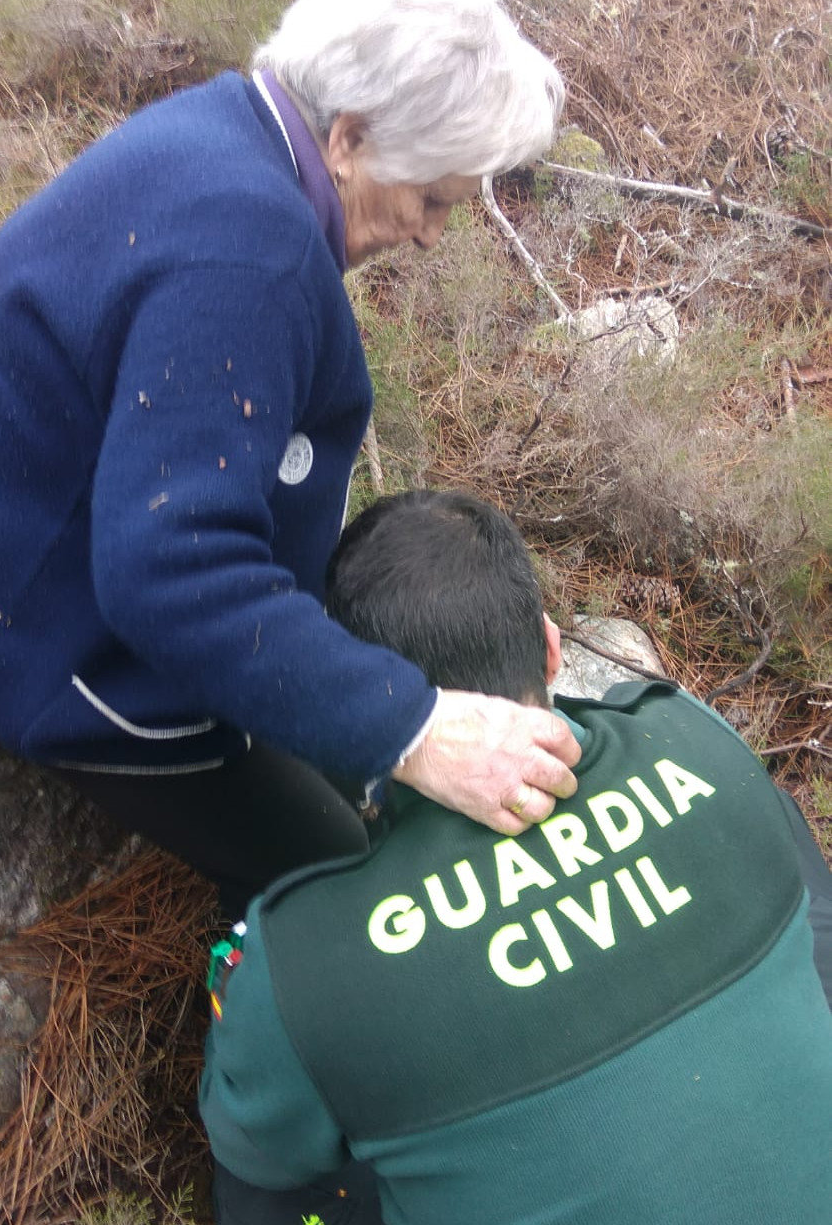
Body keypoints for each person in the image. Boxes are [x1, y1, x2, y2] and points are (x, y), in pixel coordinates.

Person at [0, 0, 579, 919]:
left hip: (5, 549)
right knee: (355, 875)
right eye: (433, 198)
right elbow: (170, 572)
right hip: (50, 644)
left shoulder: (216, 134)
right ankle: (266, 1041)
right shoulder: (251, 257)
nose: (431, 233)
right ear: (351, 136)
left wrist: (436, 665)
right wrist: (412, 725)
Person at [200, 490, 832, 1225]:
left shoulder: (305, 958)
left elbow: (257, 1155)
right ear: (551, 647)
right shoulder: (694, 738)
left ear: (349, 697)